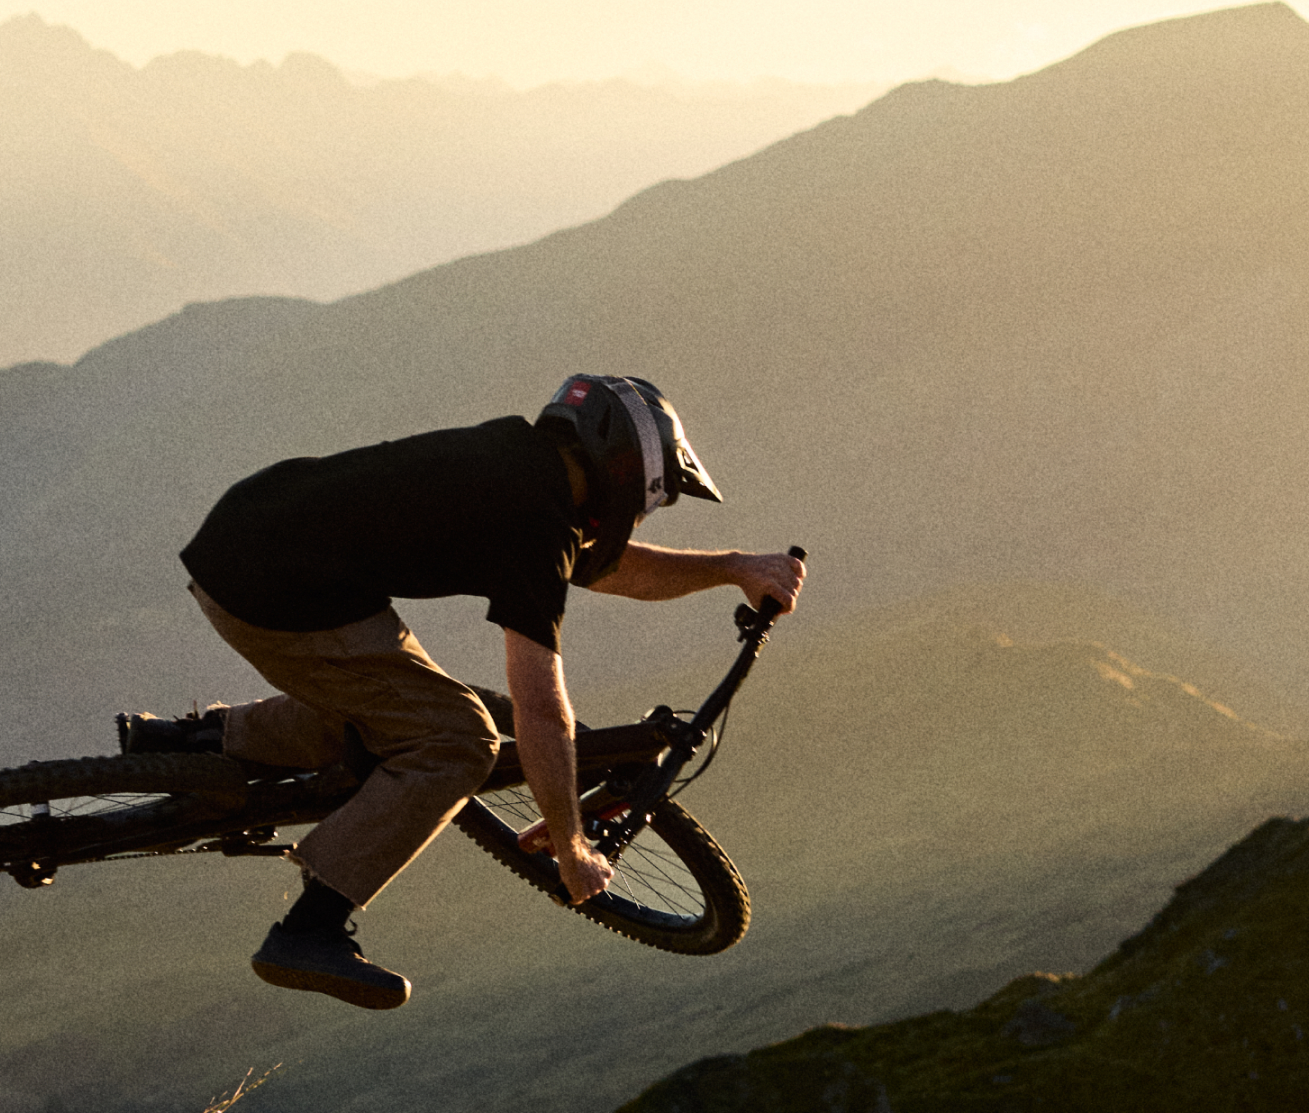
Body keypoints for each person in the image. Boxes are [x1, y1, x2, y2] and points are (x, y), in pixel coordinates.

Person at [120, 375, 807, 1011]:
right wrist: (570, 846)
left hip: (254, 536)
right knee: (456, 739)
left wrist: (734, 568)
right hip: (272, 589)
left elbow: (607, 569)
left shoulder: (524, 469)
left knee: (405, 706)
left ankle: (194, 742)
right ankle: (310, 928)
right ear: (628, 480)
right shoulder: (533, 520)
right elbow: (539, 706)